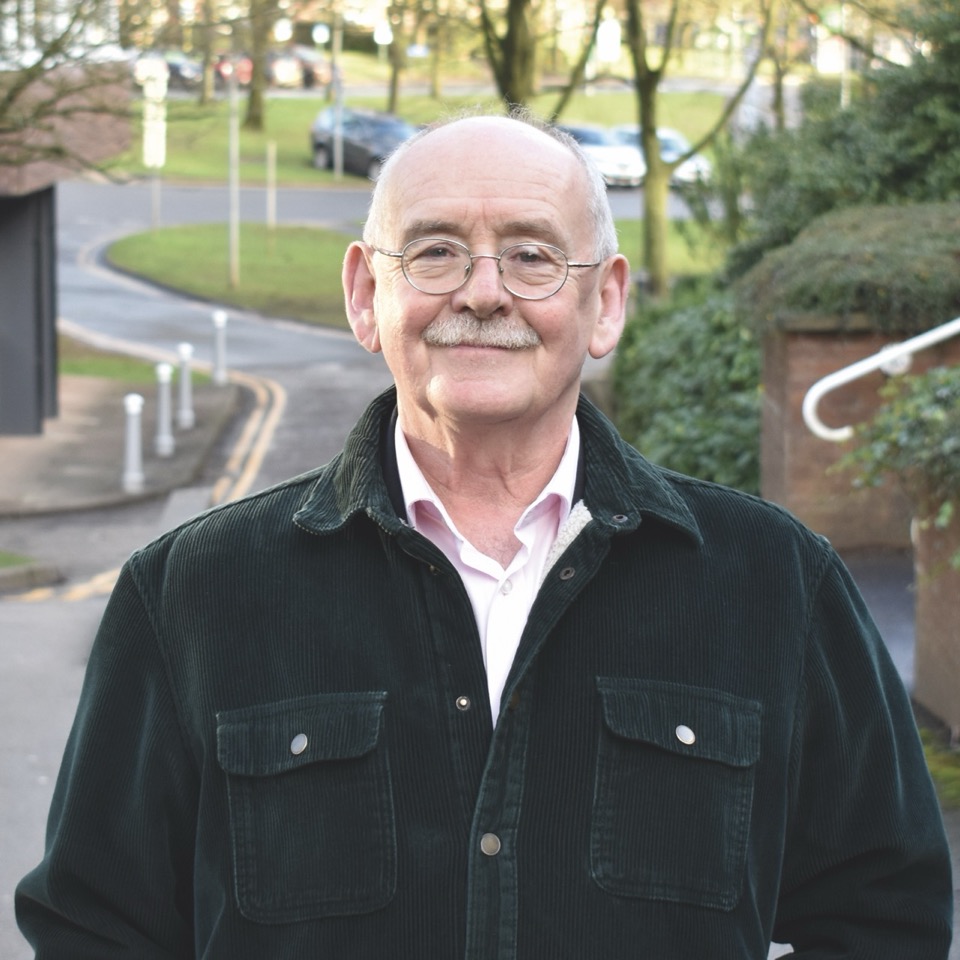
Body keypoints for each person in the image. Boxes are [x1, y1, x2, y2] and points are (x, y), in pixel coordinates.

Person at [17, 111, 953, 958]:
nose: (483, 292)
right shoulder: (190, 594)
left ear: (606, 302)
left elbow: (885, 914)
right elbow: (96, 929)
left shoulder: (777, 584)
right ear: (365, 293)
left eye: (533, 256)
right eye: (435, 252)